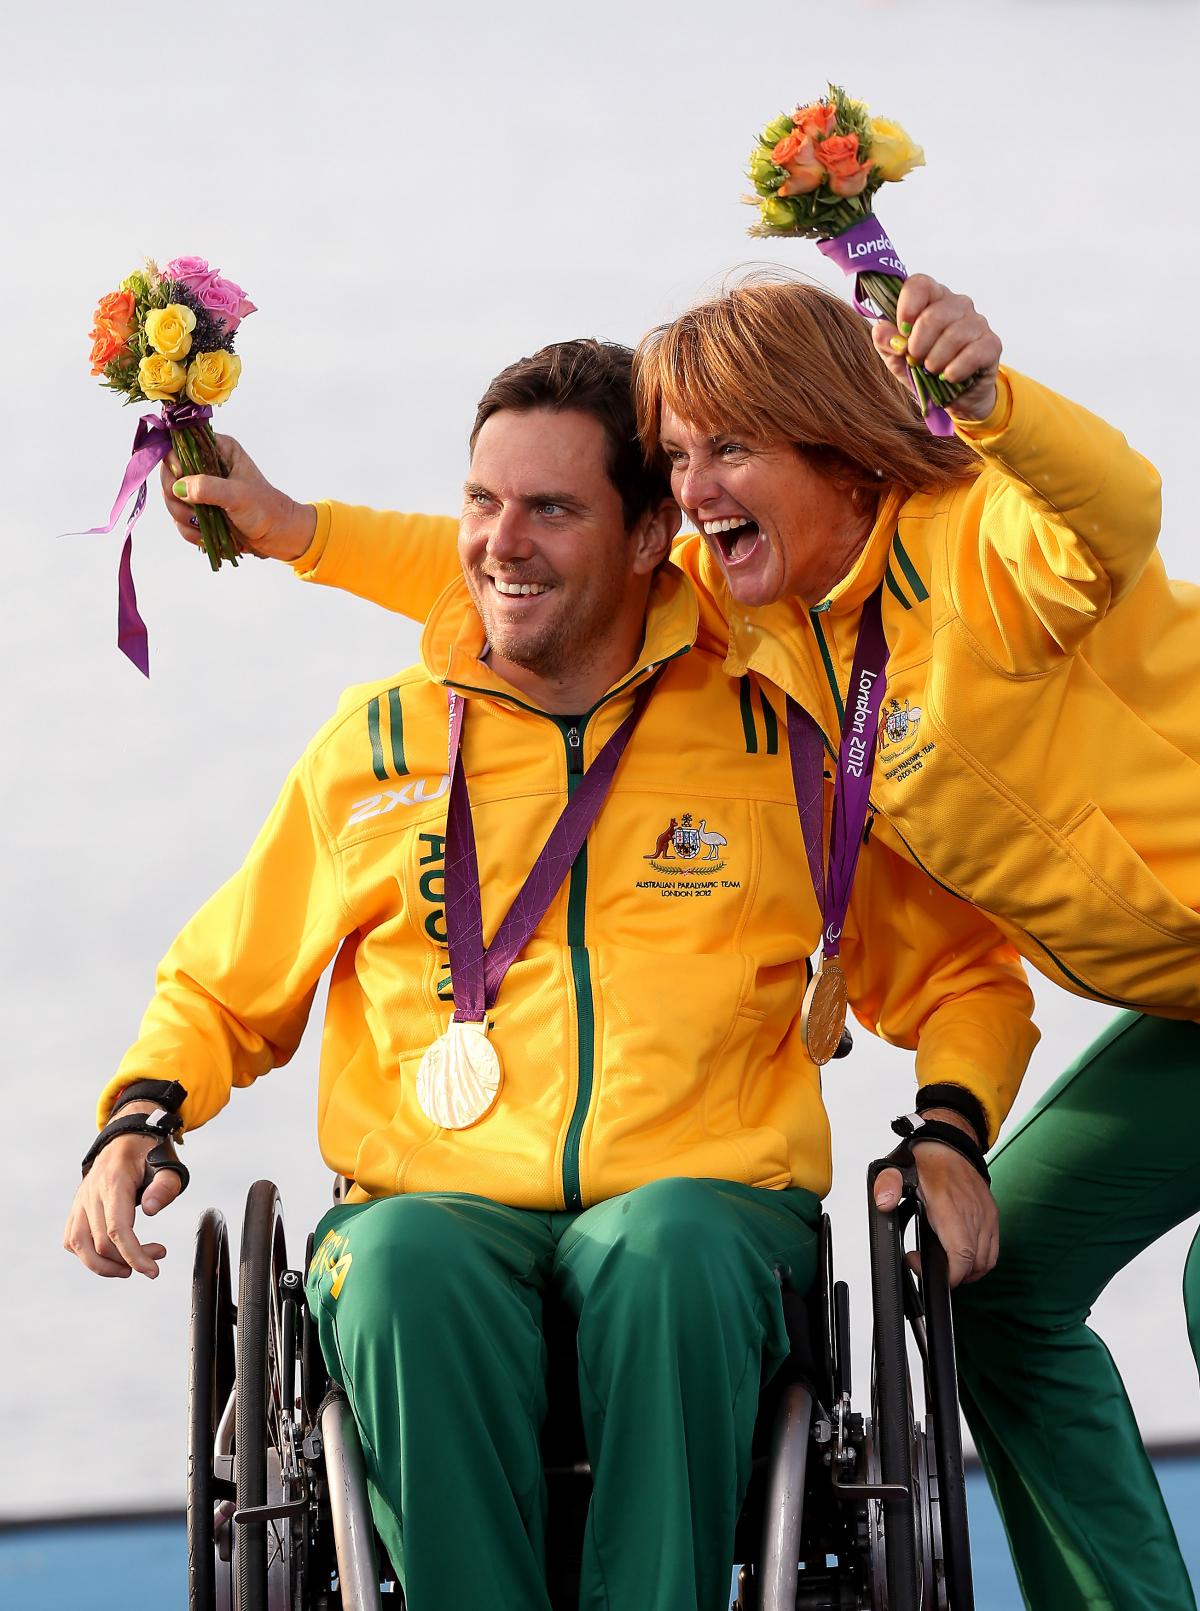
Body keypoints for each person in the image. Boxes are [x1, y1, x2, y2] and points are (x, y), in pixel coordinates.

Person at [166, 271, 1198, 1610]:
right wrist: (297, 529)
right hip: (1182, 1003)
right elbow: (541, 559)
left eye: (731, 448)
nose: (699, 487)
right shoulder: (760, 615)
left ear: (831, 441)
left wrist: (993, 404)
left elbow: (1112, 513)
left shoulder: (980, 544)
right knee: (1003, 1296)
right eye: (680, 459)